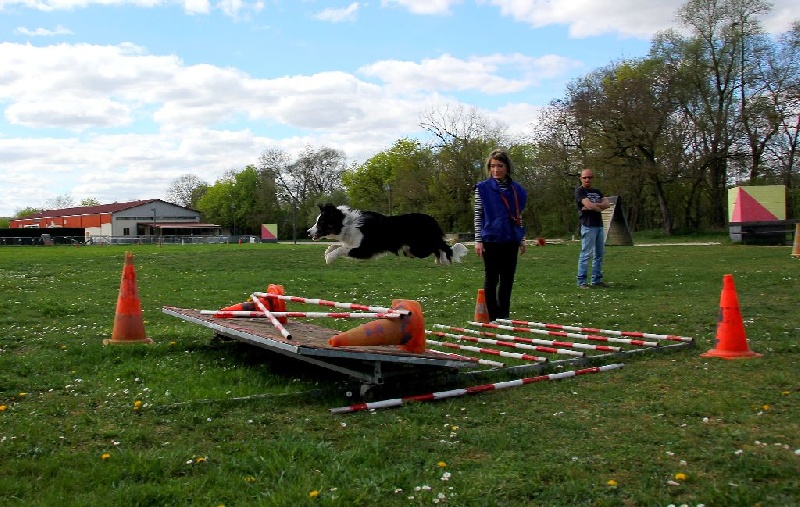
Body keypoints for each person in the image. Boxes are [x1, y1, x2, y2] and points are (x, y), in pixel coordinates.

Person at [474, 148, 528, 321]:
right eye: (492, 166)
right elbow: (478, 215)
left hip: (510, 238)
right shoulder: (482, 188)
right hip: (490, 238)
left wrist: (522, 238)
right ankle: (492, 317)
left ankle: (504, 316)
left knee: (507, 280)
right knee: (491, 279)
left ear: (507, 167)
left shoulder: (517, 190)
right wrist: (478, 240)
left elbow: (519, 214)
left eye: (500, 166)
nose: (496, 170)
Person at [575, 168, 610, 288]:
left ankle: (597, 280)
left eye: (589, 177)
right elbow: (588, 205)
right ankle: (582, 282)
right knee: (586, 254)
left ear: (592, 178)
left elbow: (607, 204)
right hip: (588, 226)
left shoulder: (597, 191)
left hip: (599, 225)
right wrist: (598, 207)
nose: (587, 179)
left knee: (599, 254)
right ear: (581, 178)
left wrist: (594, 206)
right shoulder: (580, 191)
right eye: (584, 177)